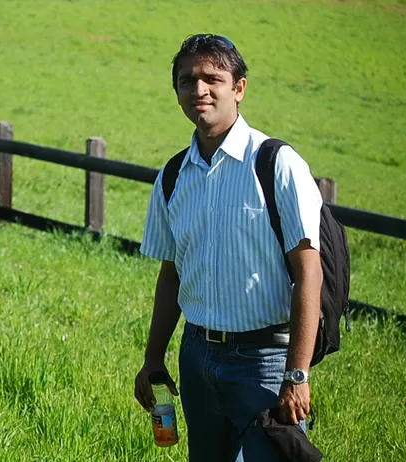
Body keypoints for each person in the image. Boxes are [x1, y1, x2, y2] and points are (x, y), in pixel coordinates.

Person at [133, 34, 324, 462]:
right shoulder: (173, 175)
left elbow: (309, 272)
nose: (198, 89)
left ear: (239, 88)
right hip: (197, 356)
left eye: (212, 78)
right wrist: (153, 358)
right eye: (187, 80)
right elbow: (172, 273)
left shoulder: (276, 164)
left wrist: (297, 373)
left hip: (265, 360)